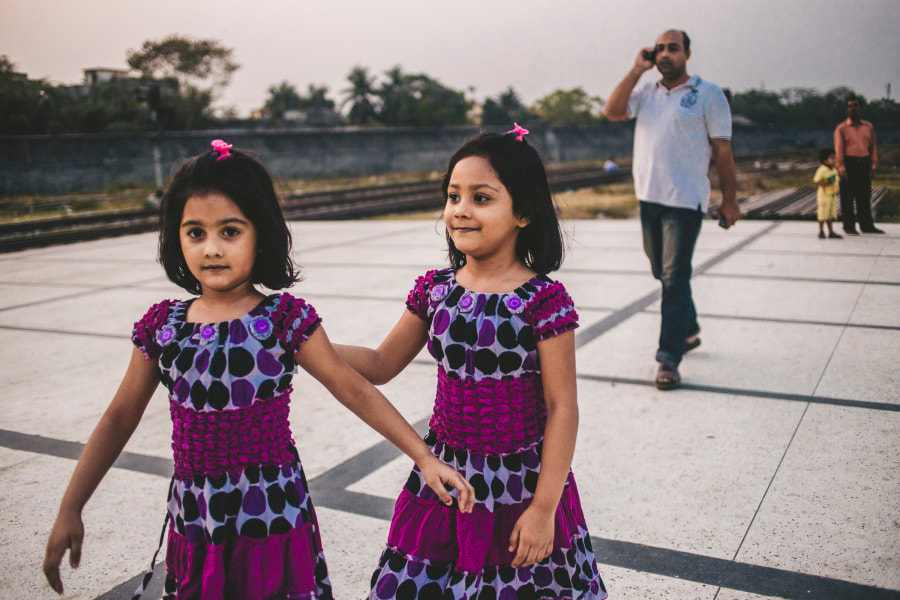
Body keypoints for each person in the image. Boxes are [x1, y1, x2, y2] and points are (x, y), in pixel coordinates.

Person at [42, 141, 475, 599]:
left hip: (271, 510)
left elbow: (355, 390)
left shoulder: (283, 320)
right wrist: (71, 506)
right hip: (197, 515)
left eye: (230, 232)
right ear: (176, 237)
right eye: (195, 233)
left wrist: (423, 457)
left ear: (260, 235)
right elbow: (118, 417)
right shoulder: (162, 328)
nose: (211, 249)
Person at [335, 127, 607, 600]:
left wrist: (544, 509)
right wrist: (305, 347)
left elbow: (562, 407)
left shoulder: (542, 301)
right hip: (445, 476)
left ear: (522, 212)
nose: (459, 210)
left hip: (521, 483)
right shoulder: (436, 291)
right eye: (453, 196)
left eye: (481, 198)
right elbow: (380, 364)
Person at [602, 29, 740, 390]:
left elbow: (723, 151)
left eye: (672, 48)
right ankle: (689, 329)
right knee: (661, 273)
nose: (665, 54)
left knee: (674, 277)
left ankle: (668, 357)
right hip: (649, 197)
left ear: (687, 54)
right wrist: (636, 69)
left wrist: (730, 199)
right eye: (660, 48)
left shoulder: (708, 94)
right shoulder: (647, 92)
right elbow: (612, 110)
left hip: (685, 200)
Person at [834, 96, 883, 234]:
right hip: (849, 163)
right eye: (850, 106)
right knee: (847, 197)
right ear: (847, 109)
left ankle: (866, 225)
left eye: (855, 105)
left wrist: (873, 165)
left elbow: (873, 147)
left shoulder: (868, 127)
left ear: (860, 108)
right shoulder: (841, 128)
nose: (853, 108)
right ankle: (849, 226)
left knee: (864, 196)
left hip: (864, 163)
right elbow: (839, 150)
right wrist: (841, 167)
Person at [813, 148, 842, 239]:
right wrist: (825, 183)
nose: (835, 160)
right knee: (822, 214)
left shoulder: (833, 169)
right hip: (824, 196)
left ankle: (831, 231)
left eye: (835, 158)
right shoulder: (822, 170)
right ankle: (821, 231)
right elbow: (816, 183)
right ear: (825, 160)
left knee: (830, 214)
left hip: (832, 195)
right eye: (832, 158)